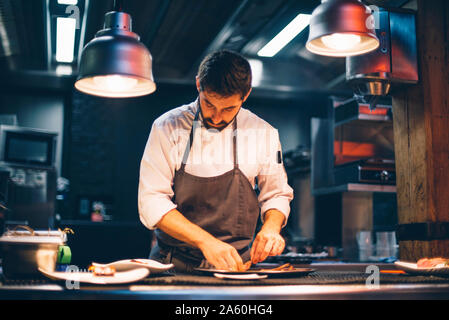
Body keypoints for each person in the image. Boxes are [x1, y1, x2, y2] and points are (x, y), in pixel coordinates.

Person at [138, 50, 293, 272]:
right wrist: (206, 241)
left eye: (229, 108)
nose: (217, 118)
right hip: (173, 264)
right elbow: (151, 200)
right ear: (199, 85)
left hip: (236, 267)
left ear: (246, 95)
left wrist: (271, 227)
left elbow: (277, 193)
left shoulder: (263, 133)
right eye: (209, 104)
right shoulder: (167, 127)